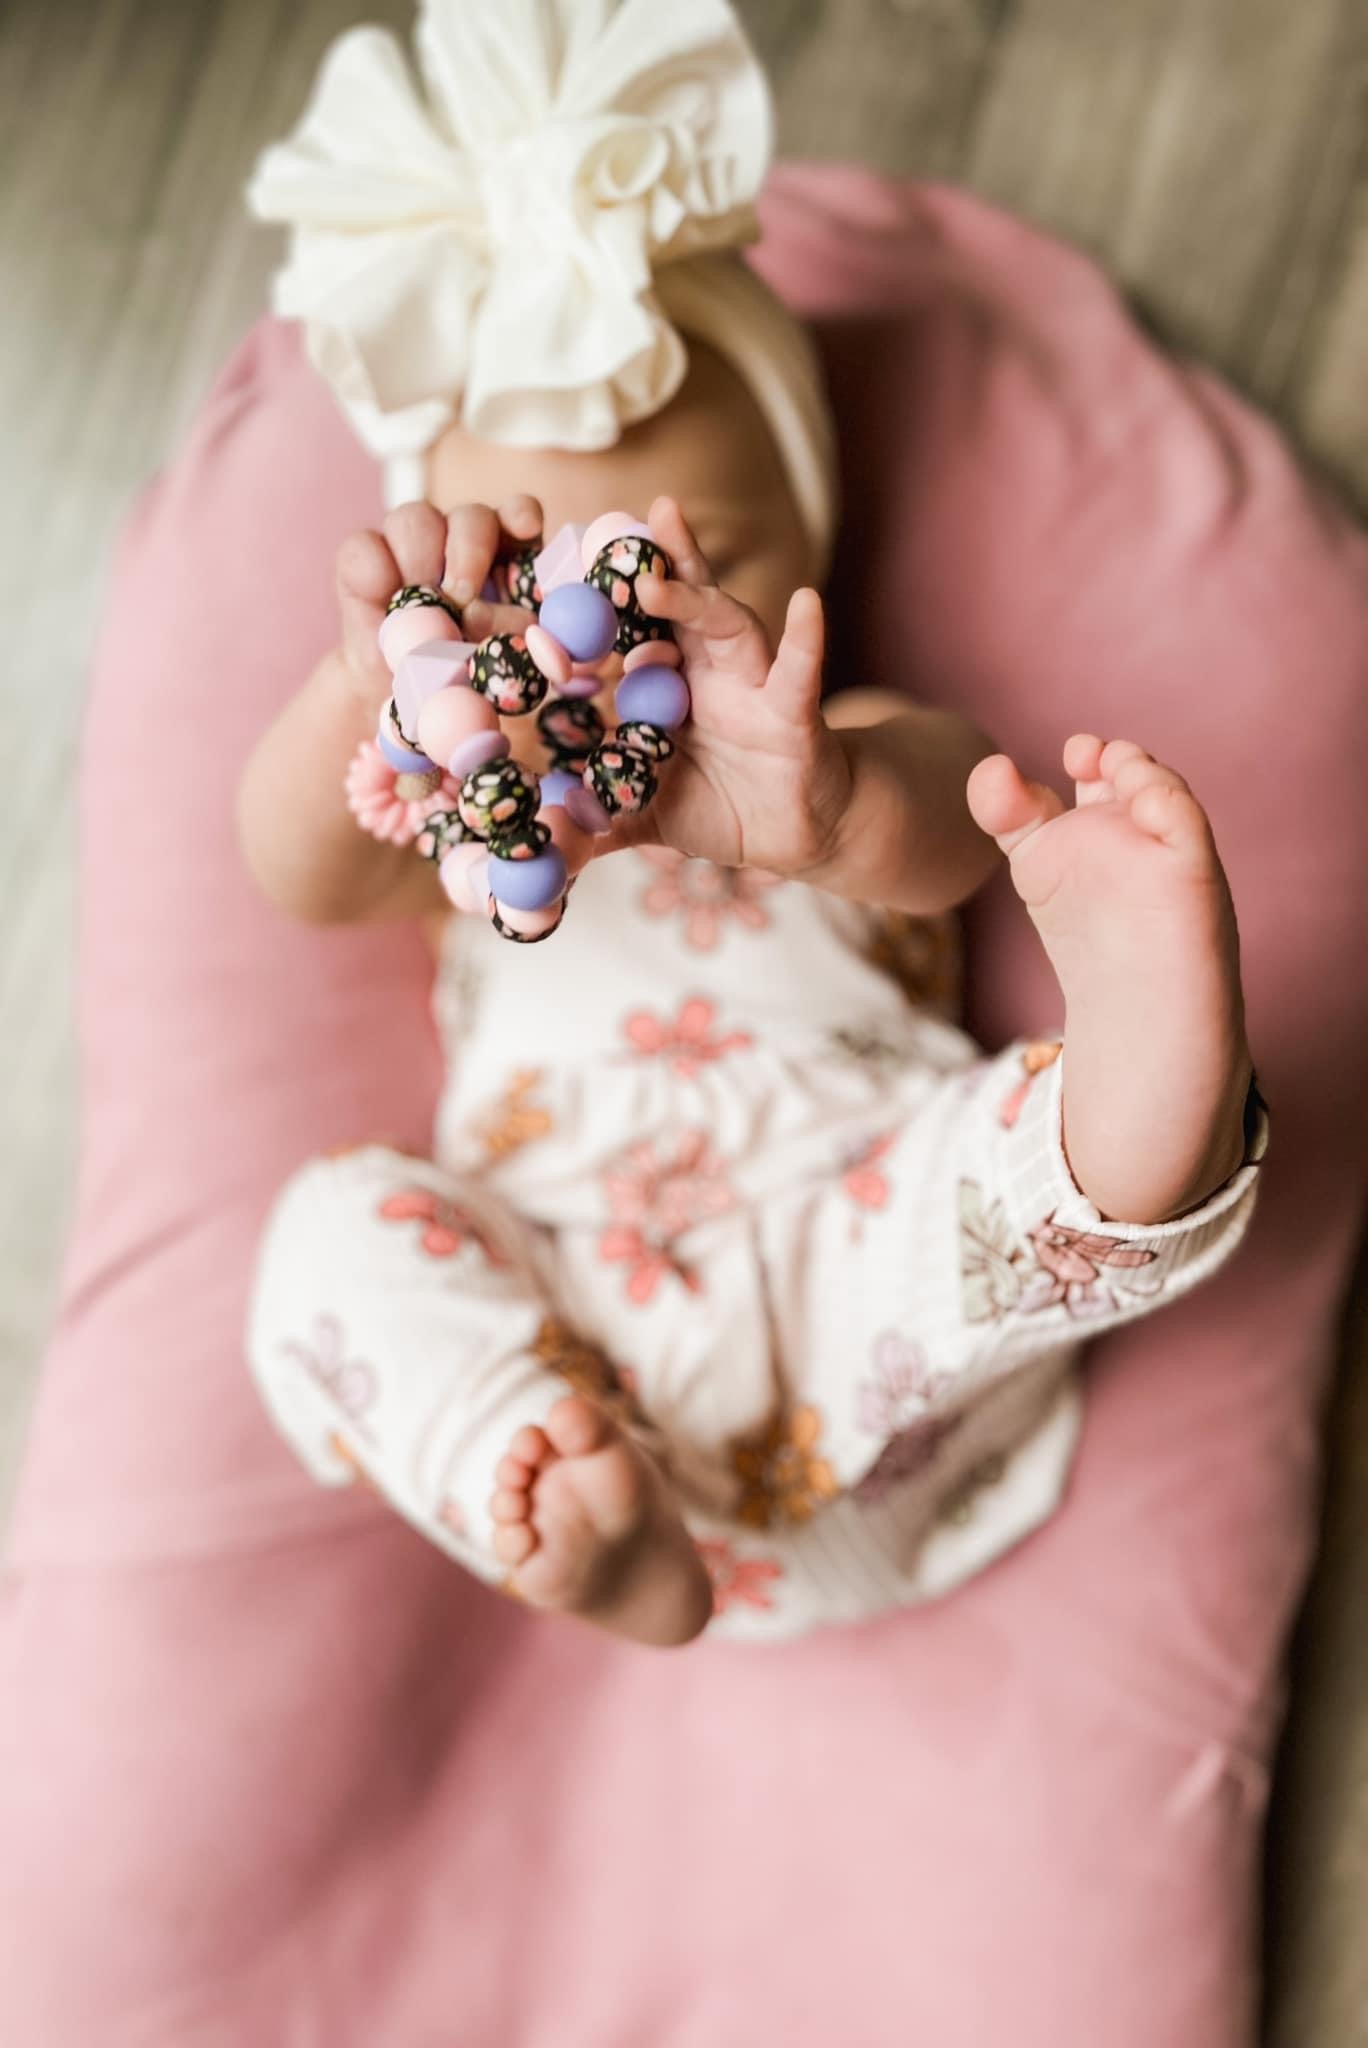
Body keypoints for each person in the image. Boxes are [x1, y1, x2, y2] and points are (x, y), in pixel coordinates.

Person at [238, 0, 1264, 1645]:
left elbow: (954, 811)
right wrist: (357, 688)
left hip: (869, 1288)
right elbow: (292, 875)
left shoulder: (822, 740)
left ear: (811, 561)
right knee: (325, 1242)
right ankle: (537, 1476)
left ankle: (1146, 1095)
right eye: (528, 563)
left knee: (992, 1156)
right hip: (567, 1308)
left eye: (682, 544)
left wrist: (832, 809)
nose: (598, 606)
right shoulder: (464, 808)